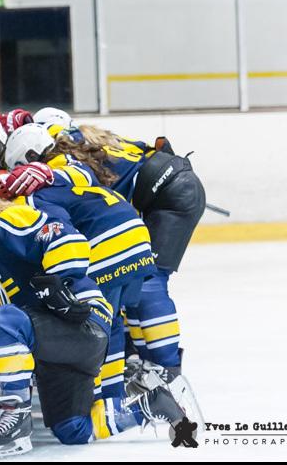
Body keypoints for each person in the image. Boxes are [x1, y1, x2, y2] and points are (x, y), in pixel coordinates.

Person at [0, 188, 191, 457]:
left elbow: (66, 236)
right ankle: (153, 404)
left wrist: (63, 282)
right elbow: (14, 318)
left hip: (82, 321)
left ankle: (14, 416)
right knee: (72, 429)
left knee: (4, 318)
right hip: (60, 340)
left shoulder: (8, 221)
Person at [0, 123, 157, 401]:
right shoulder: (75, 167)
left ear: (29, 160)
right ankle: (113, 396)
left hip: (108, 247)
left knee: (94, 327)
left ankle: (99, 398)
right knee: (112, 322)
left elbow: (57, 229)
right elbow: (76, 176)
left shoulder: (40, 191)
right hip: (137, 239)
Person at [76, 124, 206, 384]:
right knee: (135, 278)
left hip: (172, 195)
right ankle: (147, 362)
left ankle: (167, 369)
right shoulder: (87, 140)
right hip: (169, 191)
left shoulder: (66, 158)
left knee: (149, 281)